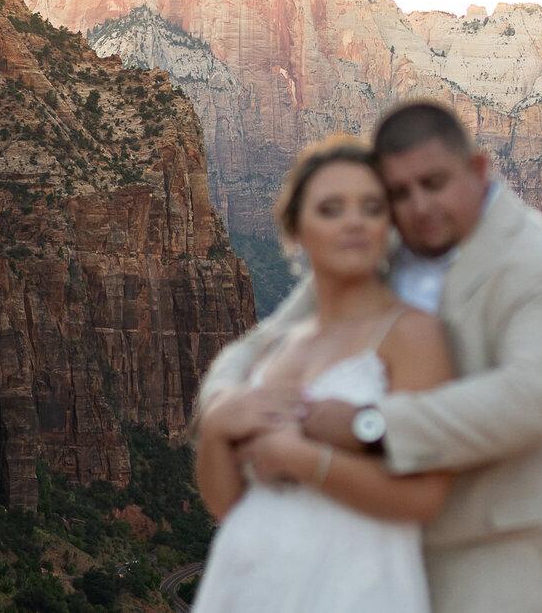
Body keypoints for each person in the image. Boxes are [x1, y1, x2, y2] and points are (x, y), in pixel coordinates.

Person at [197, 101, 542, 613]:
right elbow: (268, 340)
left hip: (491, 553)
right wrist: (223, 407)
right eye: (398, 194)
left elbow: (531, 398)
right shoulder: (378, 246)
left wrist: (370, 425)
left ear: (477, 170)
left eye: (434, 183)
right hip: (356, 543)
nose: (418, 208)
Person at [192, 137, 458, 613]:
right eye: (331, 208)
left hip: (353, 586)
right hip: (245, 582)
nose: (354, 221)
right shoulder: (278, 347)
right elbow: (228, 505)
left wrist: (302, 459)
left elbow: (427, 499)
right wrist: (216, 430)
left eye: (371, 207)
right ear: (296, 228)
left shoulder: (412, 335)